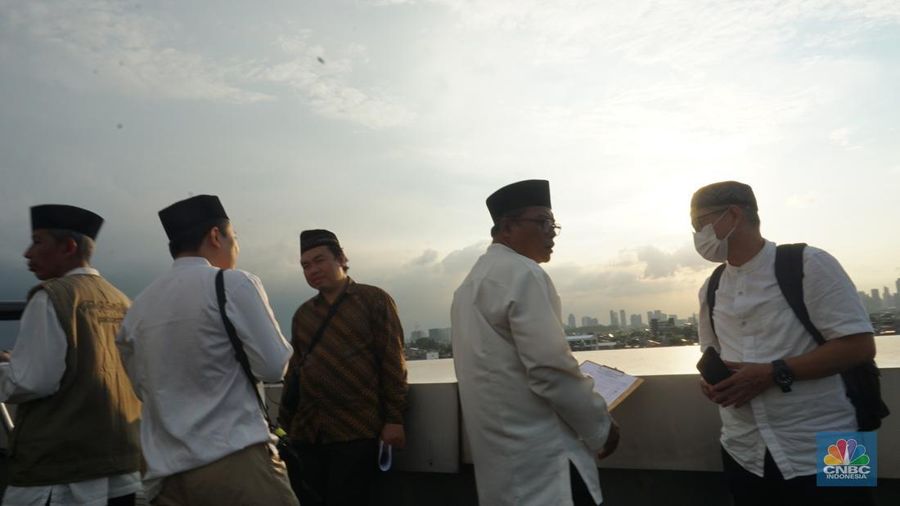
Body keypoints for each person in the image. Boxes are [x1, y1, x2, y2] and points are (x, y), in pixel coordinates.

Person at [692, 180, 877, 506]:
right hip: (743, 448)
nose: (697, 236)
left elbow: (859, 346)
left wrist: (773, 372)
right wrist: (711, 383)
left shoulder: (811, 263)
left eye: (699, 224)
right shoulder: (711, 286)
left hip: (837, 440)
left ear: (733, 215)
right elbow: (712, 353)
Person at [116, 195, 297, 506]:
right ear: (216, 236)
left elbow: (142, 388)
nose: (236, 248)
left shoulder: (139, 307)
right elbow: (272, 366)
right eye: (234, 238)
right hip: (234, 463)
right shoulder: (235, 284)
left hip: (166, 475)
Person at [451, 180, 619, 506]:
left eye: (553, 223)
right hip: (546, 459)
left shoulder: (469, 285)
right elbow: (550, 369)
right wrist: (601, 425)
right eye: (542, 222)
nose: (552, 232)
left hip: (502, 461)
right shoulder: (523, 272)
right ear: (507, 228)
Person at [0, 204, 142, 506]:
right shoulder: (121, 301)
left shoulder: (51, 296)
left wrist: (9, 370)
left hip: (60, 478)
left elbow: (31, 382)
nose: (27, 253)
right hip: (122, 470)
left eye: (38, 241)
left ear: (68, 247)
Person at [278, 229, 408, 506]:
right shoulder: (303, 314)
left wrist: (394, 419)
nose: (312, 269)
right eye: (305, 265)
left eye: (319, 260)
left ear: (340, 258)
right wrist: (284, 425)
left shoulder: (374, 300)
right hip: (308, 432)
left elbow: (393, 361)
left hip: (357, 429)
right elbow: (295, 372)